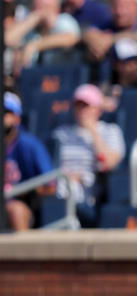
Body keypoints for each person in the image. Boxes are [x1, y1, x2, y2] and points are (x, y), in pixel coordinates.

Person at [53, 84, 125, 226]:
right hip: (62, 180)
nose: (81, 110)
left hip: (91, 185)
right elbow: (50, 164)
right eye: (78, 105)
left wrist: (92, 131)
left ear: (98, 109)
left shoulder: (110, 131)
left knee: (71, 188)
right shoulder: (61, 133)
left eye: (86, 106)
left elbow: (109, 162)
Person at [3, 92, 54, 231]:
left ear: (17, 118)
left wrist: (25, 190)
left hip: (22, 204)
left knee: (15, 210)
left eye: (6, 112)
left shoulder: (30, 144)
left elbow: (51, 185)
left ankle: (21, 252)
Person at [83, 0, 137, 73]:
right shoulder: (105, 24)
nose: (119, 12)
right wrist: (96, 45)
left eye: (125, 6)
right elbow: (88, 34)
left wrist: (111, 40)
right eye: (115, 6)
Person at [5, 0, 81, 73]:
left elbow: (72, 38)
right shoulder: (25, 18)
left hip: (57, 79)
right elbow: (7, 39)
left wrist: (35, 45)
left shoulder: (63, 20)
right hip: (28, 79)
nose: (40, 2)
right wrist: (33, 19)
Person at [101, 37, 137, 111]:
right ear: (116, 64)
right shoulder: (106, 90)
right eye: (128, 62)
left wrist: (125, 94)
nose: (135, 66)